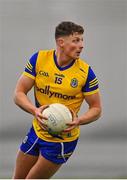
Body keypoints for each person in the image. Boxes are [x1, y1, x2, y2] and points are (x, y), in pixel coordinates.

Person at [12, 21, 102, 179]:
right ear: (61, 42)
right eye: (76, 40)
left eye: (82, 40)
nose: (81, 45)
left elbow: (96, 109)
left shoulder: (85, 73)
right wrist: (34, 110)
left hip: (61, 141)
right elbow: (18, 93)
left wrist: (79, 120)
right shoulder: (39, 59)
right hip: (36, 132)